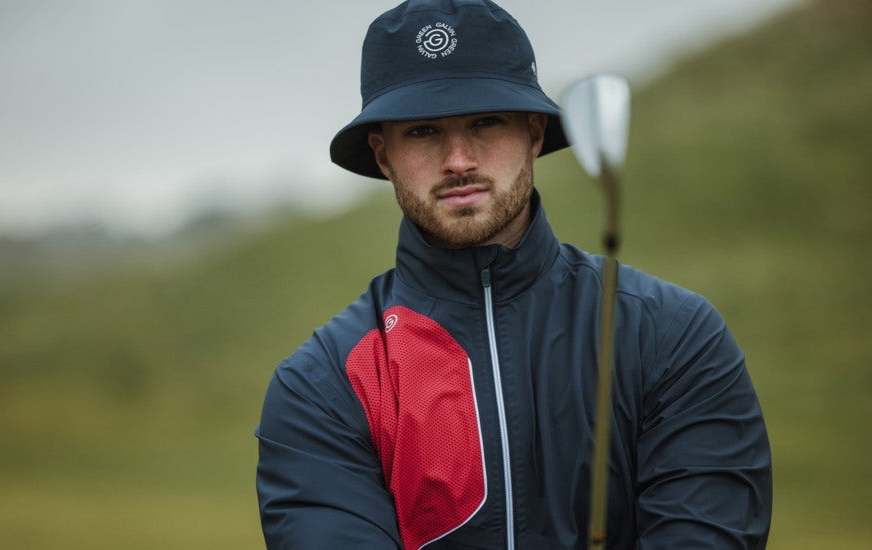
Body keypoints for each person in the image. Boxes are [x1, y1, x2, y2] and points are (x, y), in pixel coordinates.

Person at [255, 0, 772, 548]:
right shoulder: (323, 383)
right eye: (424, 130)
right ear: (384, 157)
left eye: (486, 121)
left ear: (535, 133)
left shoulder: (672, 335)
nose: (458, 159)